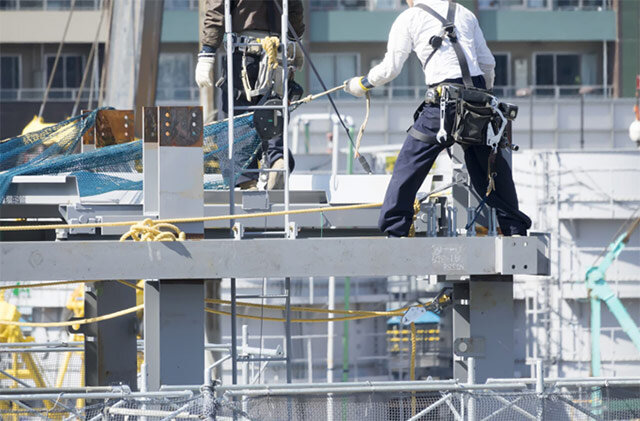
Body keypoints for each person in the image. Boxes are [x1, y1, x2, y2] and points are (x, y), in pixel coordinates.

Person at [344, 0, 531, 237]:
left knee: (409, 164)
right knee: (490, 168)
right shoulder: (464, 13)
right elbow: (487, 63)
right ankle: (514, 229)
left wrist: (362, 84)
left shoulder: (409, 18)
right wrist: (483, 99)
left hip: (444, 104)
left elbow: (390, 69)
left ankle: (395, 229)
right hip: (478, 100)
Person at [195, 0, 305, 190]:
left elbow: (217, 9)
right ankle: (278, 159)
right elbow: (294, 7)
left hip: (244, 55)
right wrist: (295, 42)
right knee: (273, 111)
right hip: (278, 53)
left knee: (238, 121)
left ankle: (247, 181)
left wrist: (207, 52)